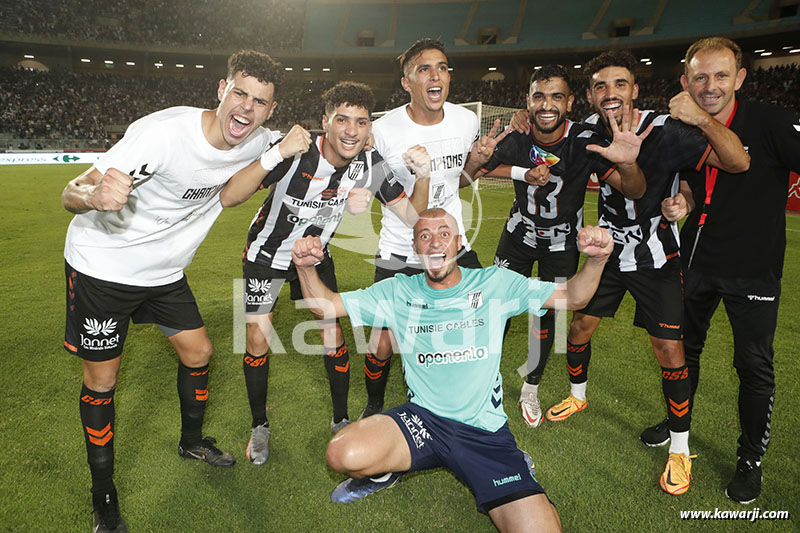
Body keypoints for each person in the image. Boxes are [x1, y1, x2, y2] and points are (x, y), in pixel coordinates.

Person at [61, 50, 284, 533]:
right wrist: (92, 196)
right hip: (103, 266)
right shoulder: (164, 133)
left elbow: (246, 185)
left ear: (270, 110)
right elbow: (72, 190)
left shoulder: (261, 141)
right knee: (102, 382)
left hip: (163, 272)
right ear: (221, 90)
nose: (245, 108)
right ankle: (104, 496)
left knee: (199, 352)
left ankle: (191, 440)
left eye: (259, 101)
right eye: (239, 93)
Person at [292, 208, 615, 532]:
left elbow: (573, 296)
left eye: (444, 234)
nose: (434, 243)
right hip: (424, 421)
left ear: (458, 242)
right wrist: (306, 268)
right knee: (341, 453)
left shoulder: (494, 283)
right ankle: (386, 470)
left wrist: (597, 260)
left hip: (482, 432)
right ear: (416, 248)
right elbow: (326, 305)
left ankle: (518, 469)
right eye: (425, 236)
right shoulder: (398, 291)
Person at [536, 50, 749, 495]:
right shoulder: (589, 135)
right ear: (591, 96)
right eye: (600, 86)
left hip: (658, 257)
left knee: (669, 351)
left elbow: (735, 162)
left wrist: (685, 198)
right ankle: (577, 396)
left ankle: (679, 447)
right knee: (578, 327)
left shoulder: (669, 128)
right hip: (609, 250)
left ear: (634, 90)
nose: (609, 93)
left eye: (619, 84)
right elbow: (633, 187)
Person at [220, 81, 431, 463]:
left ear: (370, 129)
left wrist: (424, 175)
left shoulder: (371, 164)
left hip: (315, 257)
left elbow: (414, 218)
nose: (351, 130)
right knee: (257, 339)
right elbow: (231, 197)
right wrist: (275, 154)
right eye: (342, 119)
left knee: (334, 333)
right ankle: (259, 426)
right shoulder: (295, 152)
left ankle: (340, 419)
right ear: (325, 122)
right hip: (266, 257)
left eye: (361, 122)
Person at [640, 37, 800, 504]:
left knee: (752, 366)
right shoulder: (678, 127)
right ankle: (677, 427)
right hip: (695, 261)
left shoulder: (768, 121)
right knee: (683, 352)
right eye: (700, 78)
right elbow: (693, 181)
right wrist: (681, 203)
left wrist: (700, 118)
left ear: (741, 78)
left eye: (721, 76)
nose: (710, 86)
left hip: (753, 270)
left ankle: (750, 459)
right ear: (686, 81)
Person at [467, 64, 648, 428]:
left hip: (562, 242)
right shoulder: (515, 136)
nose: (546, 104)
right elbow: (471, 174)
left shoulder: (585, 140)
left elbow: (635, 190)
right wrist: (518, 172)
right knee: (496, 307)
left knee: (544, 316)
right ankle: (480, 381)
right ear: (527, 102)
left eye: (555, 96)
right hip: (519, 236)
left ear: (569, 102)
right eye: (538, 96)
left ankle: (530, 387)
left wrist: (627, 164)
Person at [357, 38, 488, 421]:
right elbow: (397, 204)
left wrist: (477, 163)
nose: (436, 76)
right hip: (400, 247)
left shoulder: (466, 121)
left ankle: (460, 401)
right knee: (382, 342)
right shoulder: (382, 132)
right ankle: (375, 406)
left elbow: (460, 180)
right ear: (406, 82)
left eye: (442, 68)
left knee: (480, 320)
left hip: (452, 246)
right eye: (424, 69)